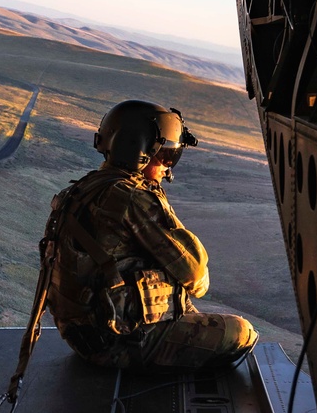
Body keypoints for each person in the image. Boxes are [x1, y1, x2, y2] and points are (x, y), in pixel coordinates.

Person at [41, 99, 257, 372]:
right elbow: (197, 278)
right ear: (138, 151)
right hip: (119, 342)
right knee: (242, 332)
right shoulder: (132, 197)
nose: (168, 167)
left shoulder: (81, 189)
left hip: (85, 337)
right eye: (166, 156)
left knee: (185, 307)